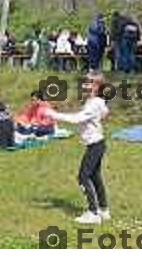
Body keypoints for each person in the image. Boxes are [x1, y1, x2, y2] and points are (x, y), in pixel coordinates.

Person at [45, 74, 110, 225]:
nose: (85, 85)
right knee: (95, 177)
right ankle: (103, 209)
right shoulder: (96, 101)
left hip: (95, 145)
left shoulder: (94, 103)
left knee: (83, 177)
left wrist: (52, 114)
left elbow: (77, 119)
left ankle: (93, 213)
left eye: (89, 83)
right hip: (97, 144)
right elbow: (105, 112)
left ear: (97, 87)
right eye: (85, 82)